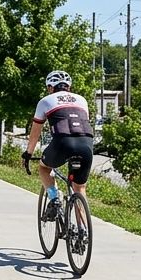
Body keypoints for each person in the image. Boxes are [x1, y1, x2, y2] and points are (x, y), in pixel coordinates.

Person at [22, 70, 94, 217]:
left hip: (63, 142)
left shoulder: (45, 101)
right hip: (86, 144)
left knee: (44, 168)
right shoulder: (82, 100)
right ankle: (83, 232)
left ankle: (55, 199)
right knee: (79, 188)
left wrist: (28, 153)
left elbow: (35, 132)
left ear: (50, 87)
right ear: (69, 86)